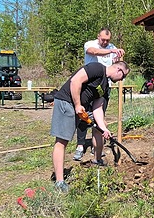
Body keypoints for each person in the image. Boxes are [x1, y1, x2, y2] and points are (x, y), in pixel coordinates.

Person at [50, 61, 131, 192]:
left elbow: (97, 108)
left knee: (65, 140)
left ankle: (95, 160)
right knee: (62, 141)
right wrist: (77, 105)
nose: (122, 80)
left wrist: (103, 128)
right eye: (123, 76)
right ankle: (59, 182)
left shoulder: (105, 86)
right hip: (66, 102)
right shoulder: (97, 68)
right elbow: (75, 81)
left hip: (78, 108)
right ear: (118, 70)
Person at [73, 28, 126, 161]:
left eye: (108, 40)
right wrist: (111, 50)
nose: (105, 42)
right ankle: (80, 145)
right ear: (98, 37)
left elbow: (114, 65)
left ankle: (96, 149)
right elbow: (93, 52)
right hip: (88, 85)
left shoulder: (112, 47)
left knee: (99, 116)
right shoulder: (91, 44)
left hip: (103, 86)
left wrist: (118, 57)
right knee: (83, 115)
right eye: (103, 39)